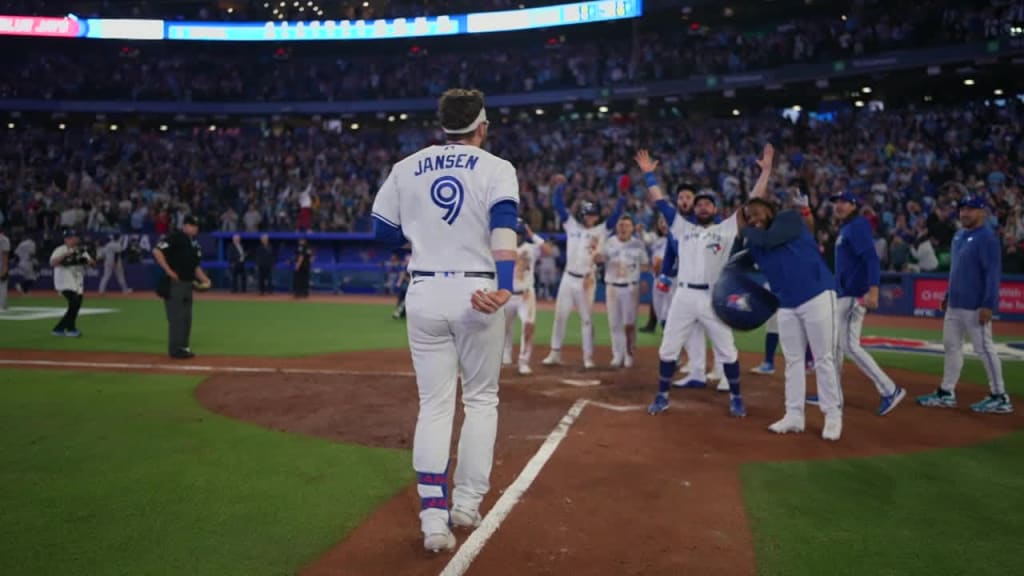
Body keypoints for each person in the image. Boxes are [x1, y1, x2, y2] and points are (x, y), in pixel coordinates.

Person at [370, 88, 519, 553]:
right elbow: (504, 223)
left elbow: (381, 232)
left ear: (443, 125)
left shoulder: (406, 166)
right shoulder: (497, 167)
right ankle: (467, 504)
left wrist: (425, 236)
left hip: (425, 290)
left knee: (434, 405)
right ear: (482, 126)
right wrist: (506, 282)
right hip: (477, 290)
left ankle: (433, 517)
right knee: (480, 400)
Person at [635, 147, 769, 419]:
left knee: (727, 349)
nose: (703, 206)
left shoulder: (726, 228)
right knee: (668, 348)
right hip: (683, 296)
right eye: (699, 203)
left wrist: (765, 171)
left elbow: (754, 201)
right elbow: (660, 201)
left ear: (716, 208)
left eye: (708, 203)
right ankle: (661, 396)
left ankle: (736, 398)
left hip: (713, 298)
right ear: (694, 208)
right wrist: (649, 176)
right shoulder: (681, 227)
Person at [739, 167, 844, 441]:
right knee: (793, 361)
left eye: (757, 213)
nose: (753, 219)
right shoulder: (755, 241)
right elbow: (746, 249)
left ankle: (832, 415)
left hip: (817, 294)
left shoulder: (788, 219)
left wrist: (744, 227)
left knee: (823, 358)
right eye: (749, 217)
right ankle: (794, 415)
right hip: (786, 303)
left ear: (770, 211)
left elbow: (767, 237)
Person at [917, 195, 1013, 414]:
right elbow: (957, 270)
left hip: (975, 306)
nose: (965, 213)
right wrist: (949, 294)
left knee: (985, 349)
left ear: (982, 213)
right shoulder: (959, 235)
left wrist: (988, 304)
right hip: (955, 304)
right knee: (951, 347)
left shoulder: (987, 238)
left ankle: (999, 395)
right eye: (962, 209)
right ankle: (946, 392)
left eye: (970, 209)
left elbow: (992, 274)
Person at [830, 191, 906, 416]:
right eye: (837, 202)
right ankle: (832, 395)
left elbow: (871, 258)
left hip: (855, 295)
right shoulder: (847, 228)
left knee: (850, 346)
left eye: (844, 202)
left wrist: (873, 291)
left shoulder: (858, 226)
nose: (839, 206)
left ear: (854, 205)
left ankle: (890, 389)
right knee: (835, 346)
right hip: (845, 293)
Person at [541, 177, 624, 369]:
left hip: (587, 280)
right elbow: (558, 205)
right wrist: (560, 186)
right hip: (568, 278)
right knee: (560, 315)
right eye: (587, 214)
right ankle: (555, 353)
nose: (590, 218)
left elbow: (617, 214)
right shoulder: (571, 226)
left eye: (593, 215)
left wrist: (621, 196)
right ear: (582, 215)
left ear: (597, 216)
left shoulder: (602, 230)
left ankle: (588, 357)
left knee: (586, 320)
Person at [153, 215, 212, 359]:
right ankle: (175, 349)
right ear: (185, 225)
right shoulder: (176, 237)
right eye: (192, 225)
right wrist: (168, 271)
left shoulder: (194, 244)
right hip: (175, 285)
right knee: (177, 318)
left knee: (186, 318)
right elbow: (157, 251)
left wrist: (206, 280)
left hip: (188, 284)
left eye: (196, 226)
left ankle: (184, 347)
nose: (195, 228)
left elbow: (195, 267)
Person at [595, 214, 649, 368]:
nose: (623, 228)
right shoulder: (609, 242)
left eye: (626, 225)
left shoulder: (638, 244)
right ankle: (617, 355)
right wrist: (596, 256)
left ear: (632, 228)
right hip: (612, 286)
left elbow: (645, 263)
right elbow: (600, 258)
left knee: (629, 324)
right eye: (621, 225)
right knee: (614, 323)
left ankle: (629, 355)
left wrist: (644, 278)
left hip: (631, 287)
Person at [502, 219, 546, 375]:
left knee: (529, 326)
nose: (517, 236)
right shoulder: (502, 249)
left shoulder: (531, 248)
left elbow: (548, 250)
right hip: (506, 294)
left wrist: (533, 235)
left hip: (526, 294)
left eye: (519, 233)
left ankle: (523, 361)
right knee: (504, 328)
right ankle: (506, 353)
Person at [49, 228, 94, 337]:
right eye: (68, 238)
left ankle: (67, 328)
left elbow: (92, 263)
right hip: (64, 282)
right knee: (74, 304)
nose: (71, 240)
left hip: (77, 283)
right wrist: (65, 255)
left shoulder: (81, 250)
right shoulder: (60, 250)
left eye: (73, 237)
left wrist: (86, 261)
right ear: (65, 240)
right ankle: (63, 328)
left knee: (75, 306)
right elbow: (52, 262)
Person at [640, 214, 669, 333]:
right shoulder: (655, 237)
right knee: (657, 303)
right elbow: (646, 239)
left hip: (670, 277)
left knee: (667, 306)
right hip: (657, 276)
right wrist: (641, 232)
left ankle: (668, 330)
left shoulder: (675, 237)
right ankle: (654, 326)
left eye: (665, 222)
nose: (662, 224)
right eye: (660, 222)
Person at [0, 225, 9, 310]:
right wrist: (5, 269)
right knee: (2, 286)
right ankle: (2, 305)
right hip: (1, 265)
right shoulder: (4, 239)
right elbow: (5, 255)